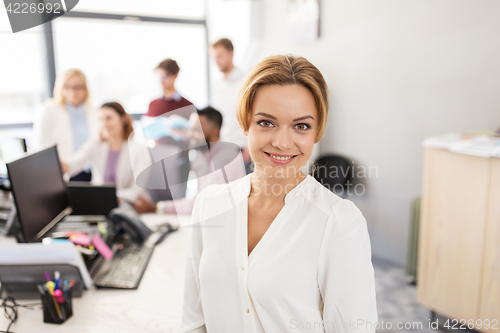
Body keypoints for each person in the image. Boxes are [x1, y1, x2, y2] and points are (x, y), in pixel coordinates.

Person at [181, 55, 378, 333]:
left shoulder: (338, 222)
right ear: (244, 122)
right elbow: (194, 321)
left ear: (317, 131)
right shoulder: (209, 205)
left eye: (301, 126)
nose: (283, 143)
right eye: (266, 123)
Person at [132, 106, 246, 214]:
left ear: (215, 132)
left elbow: (202, 204)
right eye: (190, 129)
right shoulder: (201, 154)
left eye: (197, 130)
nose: (190, 134)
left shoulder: (225, 158)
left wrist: (156, 207)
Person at [61, 102, 151, 201]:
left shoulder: (140, 148)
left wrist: (114, 197)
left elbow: (137, 189)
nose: (104, 124)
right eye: (100, 119)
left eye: (109, 118)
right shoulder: (96, 144)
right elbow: (75, 161)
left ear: (123, 119)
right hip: (100, 203)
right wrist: (62, 165)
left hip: (129, 205)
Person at [33, 69, 98, 181]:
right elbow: (41, 144)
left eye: (77, 87)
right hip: (64, 171)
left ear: (85, 89)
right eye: (67, 87)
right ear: (60, 89)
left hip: (90, 170)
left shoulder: (93, 111)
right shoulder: (48, 110)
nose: (72, 92)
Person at [210, 38, 252, 173]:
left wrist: (250, 145)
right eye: (214, 57)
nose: (216, 61)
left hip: (243, 149)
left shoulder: (247, 81)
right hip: (222, 149)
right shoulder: (216, 86)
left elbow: (253, 114)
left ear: (231, 53)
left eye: (220, 56)